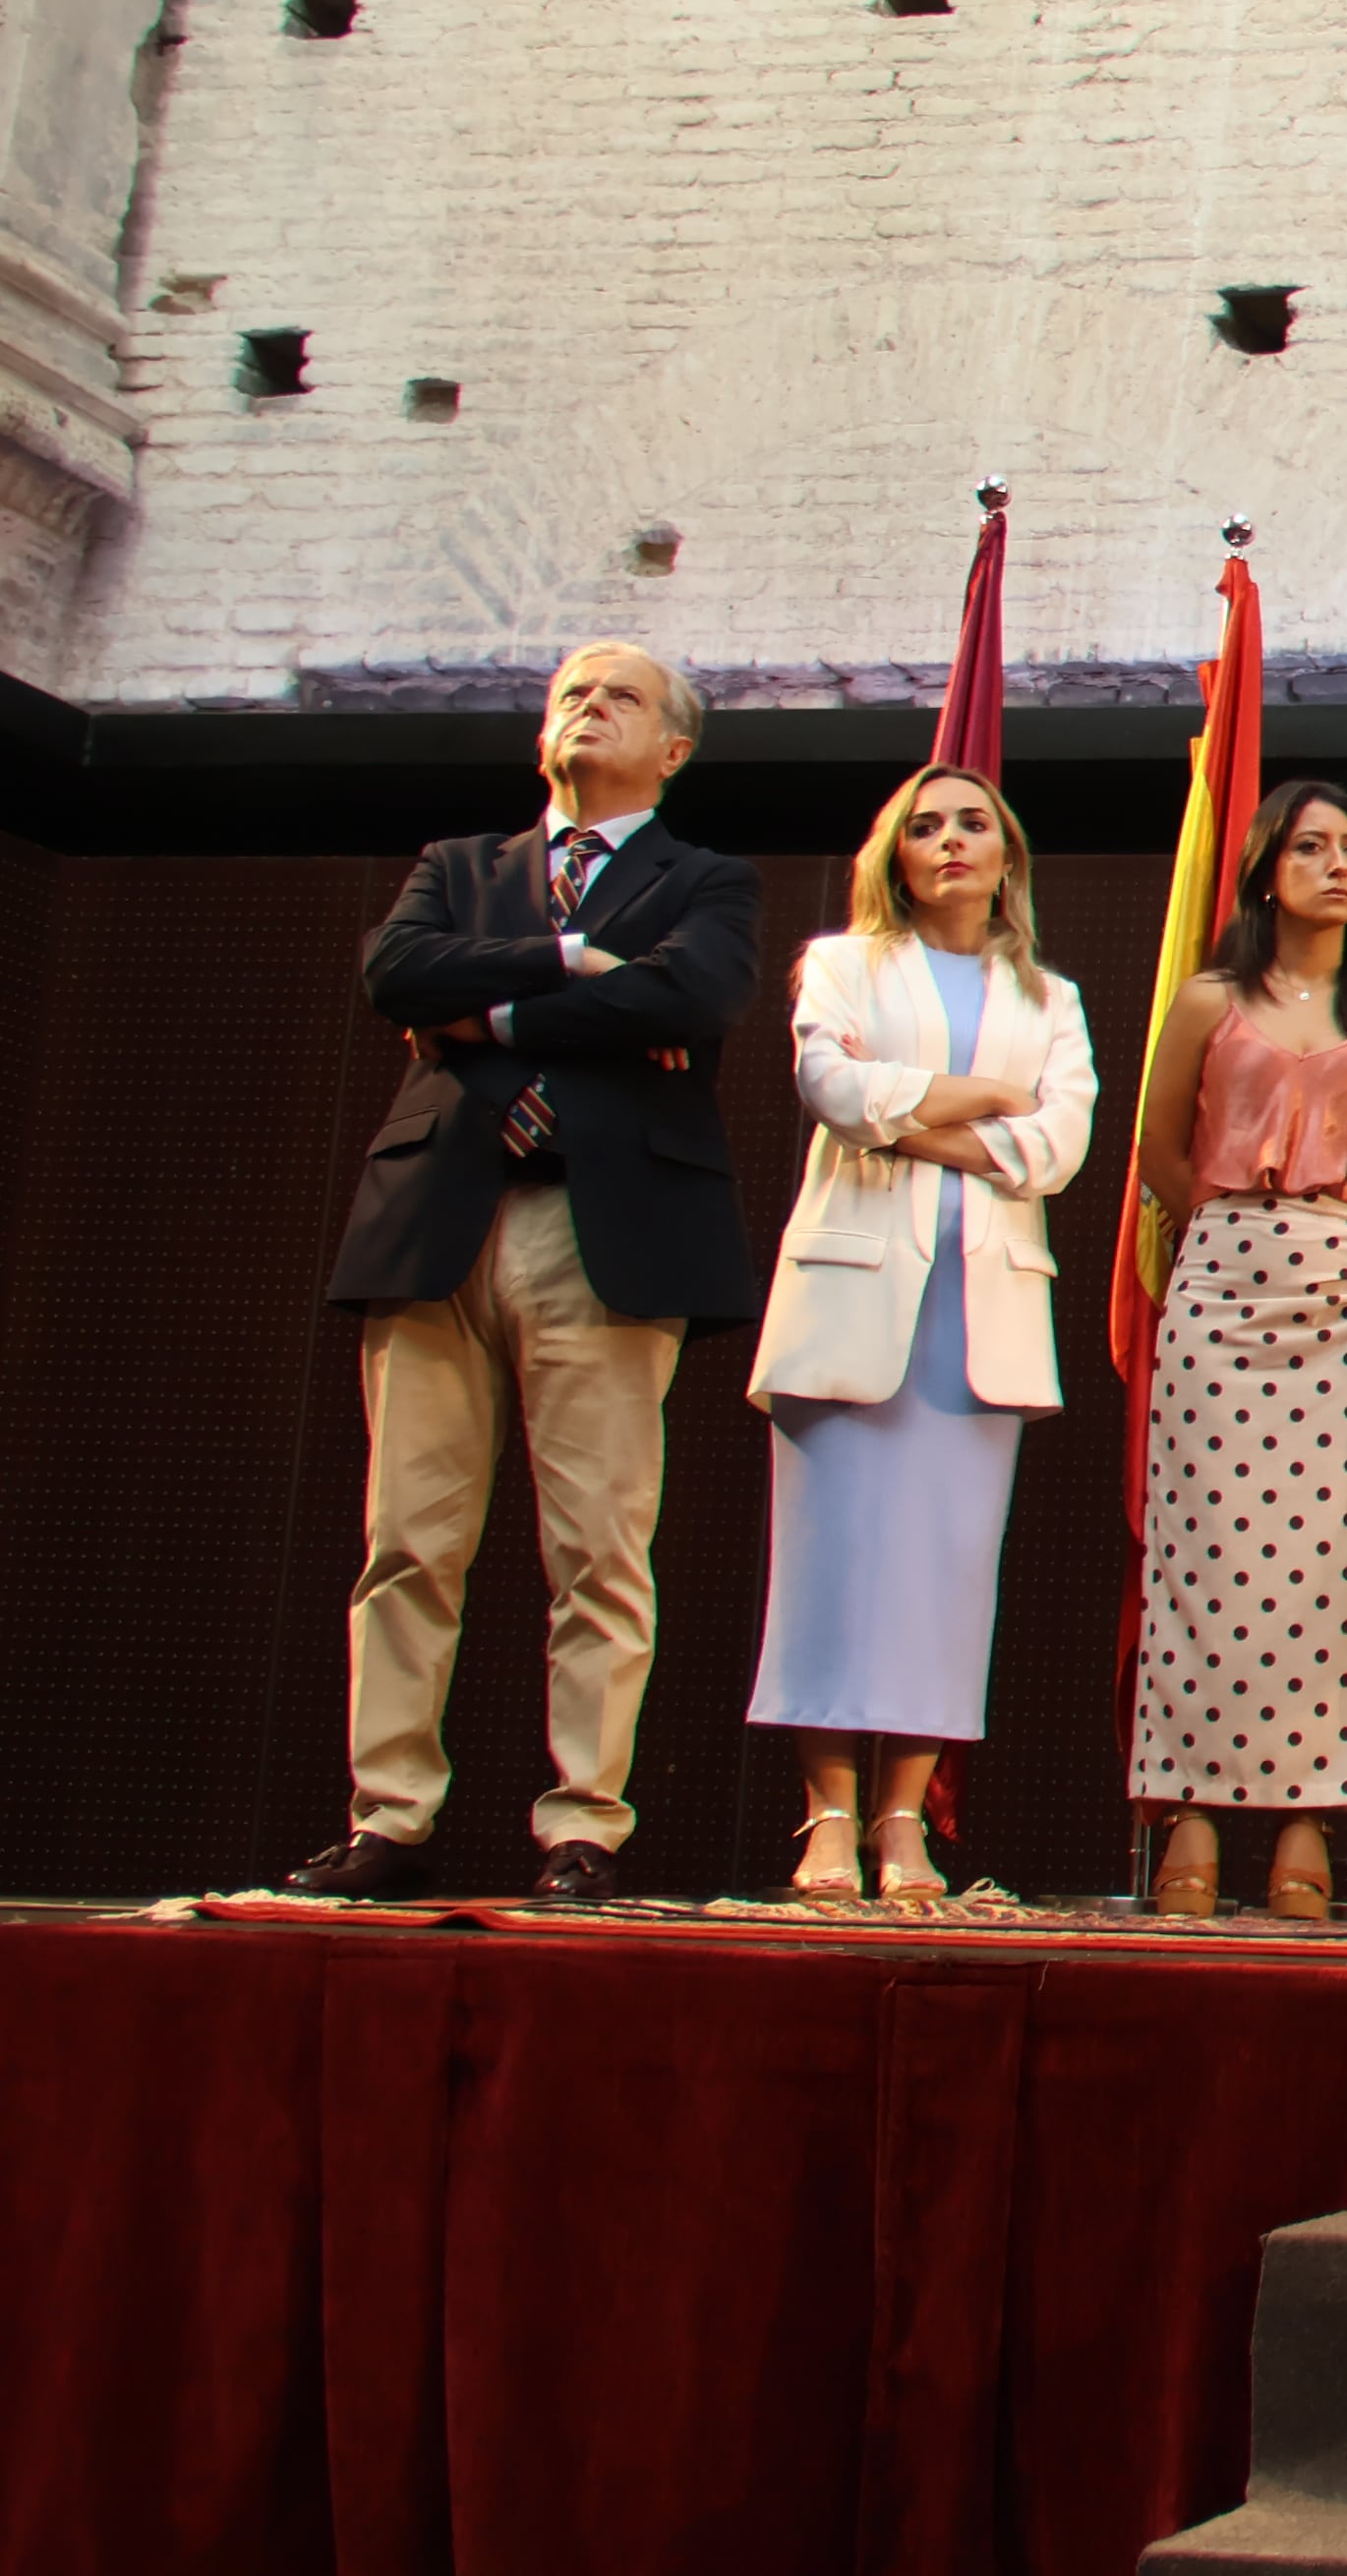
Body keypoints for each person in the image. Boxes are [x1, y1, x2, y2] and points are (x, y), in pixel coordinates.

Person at [287, 643, 764, 1904]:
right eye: (569, 694)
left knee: (599, 1548)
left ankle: (583, 1825)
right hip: (439, 1220)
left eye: (618, 696)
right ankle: (390, 1816)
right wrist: (568, 967)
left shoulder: (706, 880)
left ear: (673, 749)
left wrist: (477, 1012)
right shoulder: (459, 868)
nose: (585, 709)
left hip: (600, 1236)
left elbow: (690, 1001)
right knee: (408, 1542)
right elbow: (395, 975)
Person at [743, 765, 1101, 1906]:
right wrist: (986, 1095)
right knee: (830, 1570)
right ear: (894, 855)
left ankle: (905, 1825)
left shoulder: (1051, 998)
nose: (950, 841)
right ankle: (829, 1822)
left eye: (973, 825)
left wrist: (920, 1114)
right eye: (925, 826)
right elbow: (834, 1091)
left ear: (1008, 858)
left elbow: (1057, 1152)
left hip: (977, 1318)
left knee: (943, 1583)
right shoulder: (844, 965)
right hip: (849, 1305)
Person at [1127, 783, 1347, 1920]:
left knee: (1334, 1564)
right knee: (1205, 1555)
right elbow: (1158, 1146)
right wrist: (1223, 1229)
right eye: (1310, 847)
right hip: (1224, 1286)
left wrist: (1343, 1235)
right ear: (1267, 869)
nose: (1336, 866)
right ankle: (1193, 1815)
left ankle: (1309, 1819)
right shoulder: (1208, 999)